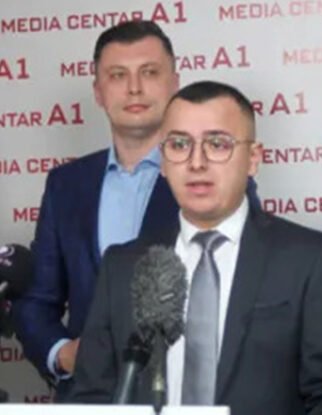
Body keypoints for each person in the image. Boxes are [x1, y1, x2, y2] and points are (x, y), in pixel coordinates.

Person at [69, 81, 322, 414]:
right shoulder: (123, 265)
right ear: (163, 162)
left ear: (253, 159)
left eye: (217, 144)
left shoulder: (310, 258)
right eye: (179, 145)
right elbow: (90, 396)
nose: (196, 162)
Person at [11, 21, 259, 398]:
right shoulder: (65, 185)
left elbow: (248, 291)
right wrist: (62, 354)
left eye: (149, 72)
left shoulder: (216, 176)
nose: (134, 88)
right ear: (98, 91)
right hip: (89, 398)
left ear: (174, 83)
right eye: (117, 75)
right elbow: (38, 299)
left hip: (185, 396)